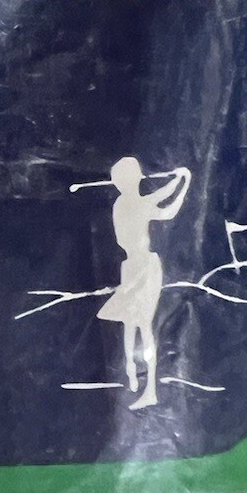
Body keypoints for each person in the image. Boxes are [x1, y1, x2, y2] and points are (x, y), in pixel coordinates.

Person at [97, 157, 191, 409]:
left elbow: (157, 196)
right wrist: (183, 182)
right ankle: (147, 387)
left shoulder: (121, 204)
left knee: (131, 323)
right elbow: (167, 209)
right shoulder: (137, 204)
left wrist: (177, 181)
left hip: (130, 266)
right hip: (143, 267)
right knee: (143, 325)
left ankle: (134, 373)